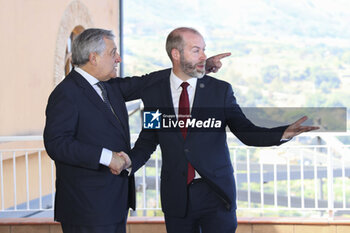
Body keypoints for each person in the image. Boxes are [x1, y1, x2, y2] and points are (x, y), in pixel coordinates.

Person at [122, 27, 319, 233]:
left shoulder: (220, 91)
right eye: (196, 50)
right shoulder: (155, 94)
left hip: (216, 195)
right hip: (177, 198)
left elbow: (245, 131)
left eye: (204, 50)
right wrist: (129, 164)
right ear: (176, 54)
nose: (205, 56)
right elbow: (149, 139)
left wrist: (282, 133)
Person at [43, 28, 228, 233]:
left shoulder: (110, 86)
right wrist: (107, 157)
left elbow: (148, 81)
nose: (119, 59)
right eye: (113, 53)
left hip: (114, 205)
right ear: (93, 57)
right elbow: (56, 143)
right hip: (85, 208)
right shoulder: (66, 93)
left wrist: (200, 65)